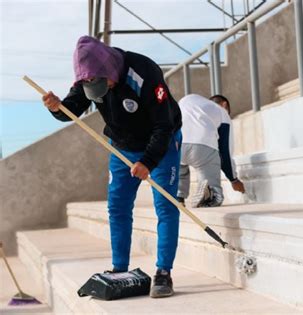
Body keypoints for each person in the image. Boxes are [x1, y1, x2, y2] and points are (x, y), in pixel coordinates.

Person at [42, 35, 182, 298]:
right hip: (122, 145)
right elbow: (71, 110)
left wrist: (148, 161)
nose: (100, 92)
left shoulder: (145, 72)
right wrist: (56, 108)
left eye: (104, 85)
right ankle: (120, 269)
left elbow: (163, 125)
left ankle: (163, 272)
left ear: (109, 69)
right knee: (117, 206)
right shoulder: (88, 77)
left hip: (161, 143)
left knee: (165, 205)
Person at [177, 94, 245, 208]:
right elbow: (225, 151)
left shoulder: (189, 100)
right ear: (224, 105)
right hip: (202, 146)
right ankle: (212, 194)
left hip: (176, 143)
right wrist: (234, 179)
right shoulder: (222, 112)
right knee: (207, 166)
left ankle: (179, 197)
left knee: (181, 170)